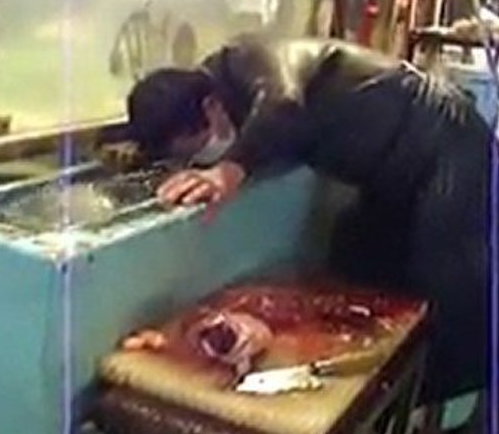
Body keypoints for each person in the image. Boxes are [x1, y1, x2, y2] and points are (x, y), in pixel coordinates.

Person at [126, 34, 491, 405]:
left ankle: (440, 403)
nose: (200, 160)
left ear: (212, 107)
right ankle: (379, 395)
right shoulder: (217, 103)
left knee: (449, 279)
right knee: (353, 260)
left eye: (197, 146)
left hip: (449, 143)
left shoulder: (249, 57)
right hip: (391, 175)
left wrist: (227, 170)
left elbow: (284, 105)